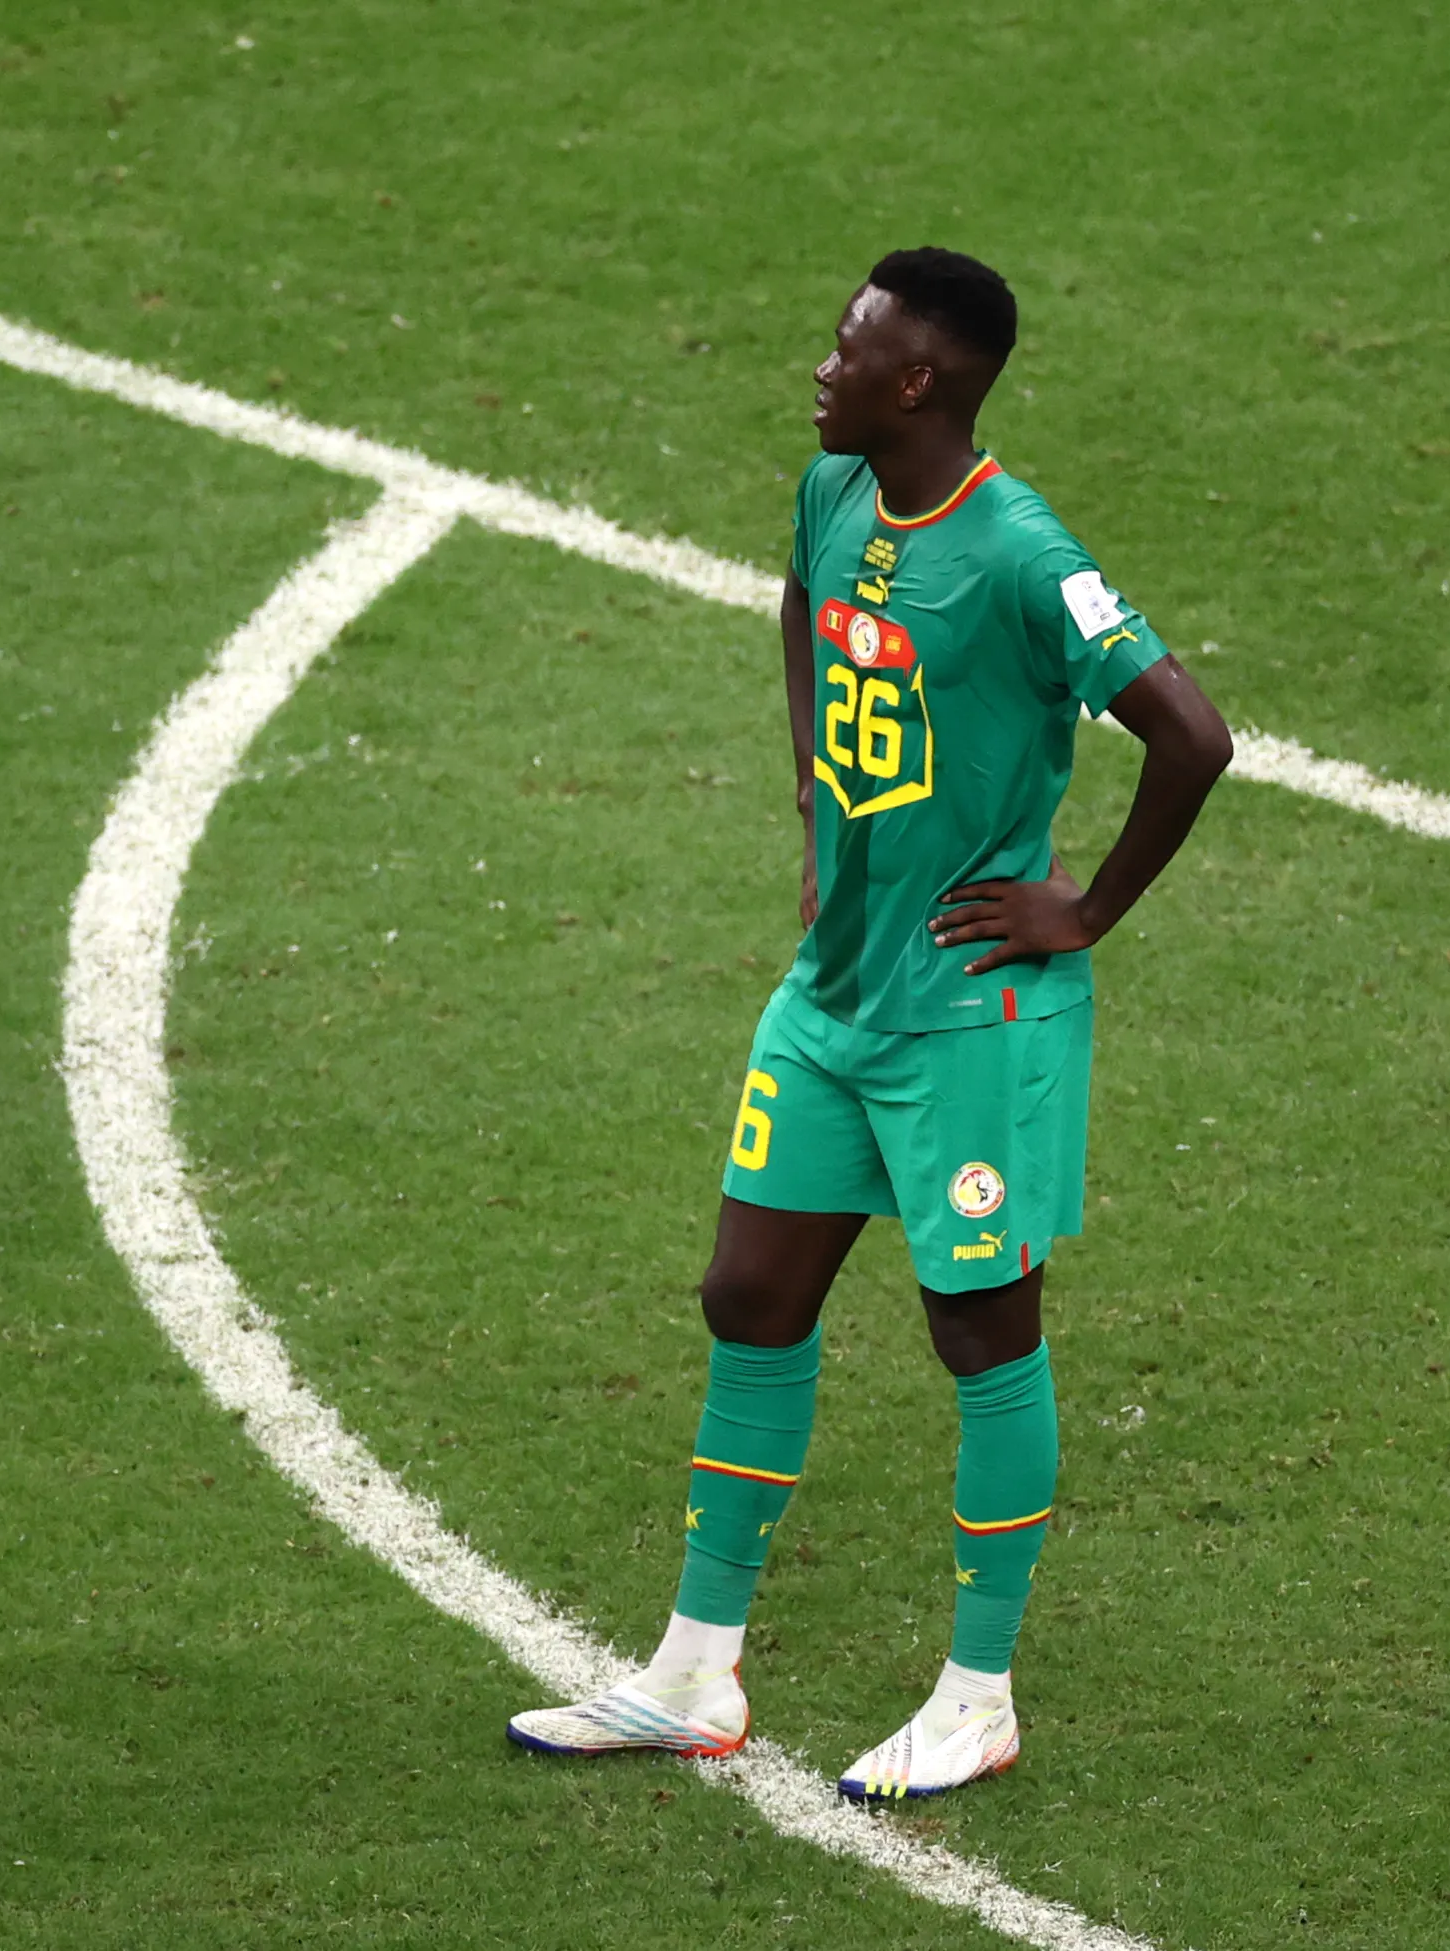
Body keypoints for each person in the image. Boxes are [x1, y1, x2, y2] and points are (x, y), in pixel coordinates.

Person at [507, 248, 1232, 1800]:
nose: (818, 371)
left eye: (848, 352)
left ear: (921, 380)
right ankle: (693, 1675)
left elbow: (1190, 731)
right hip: (832, 996)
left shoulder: (1026, 555)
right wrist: (807, 789)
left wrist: (1082, 908)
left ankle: (978, 1692)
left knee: (980, 1328)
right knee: (747, 1292)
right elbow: (801, 604)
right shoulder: (834, 494)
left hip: (966, 1016)